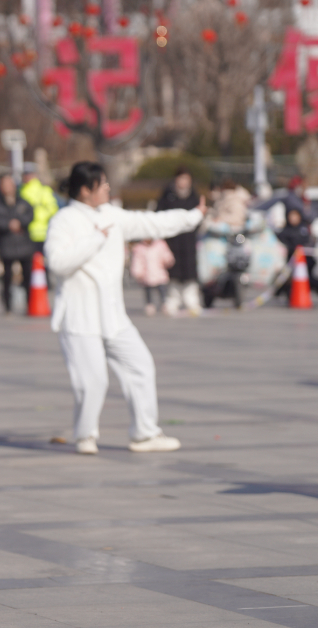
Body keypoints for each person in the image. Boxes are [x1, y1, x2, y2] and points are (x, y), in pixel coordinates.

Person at [44, 161, 204, 455]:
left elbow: (151, 223)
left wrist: (192, 216)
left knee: (140, 366)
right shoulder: (63, 221)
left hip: (113, 316)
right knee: (92, 382)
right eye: (102, 183)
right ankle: (85, 435)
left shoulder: (112, 215)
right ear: (85, 190)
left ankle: (144, 434)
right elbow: (57, 262)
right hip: (80, 317)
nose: (107, 188)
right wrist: (95, 240)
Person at [0, 173, 36, 315]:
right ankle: (7, 306)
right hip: (6, 244)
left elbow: (30, 214)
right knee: (7, 277)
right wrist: (8, 224)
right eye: (4, 184)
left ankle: (29, 304)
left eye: (9, 183)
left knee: (27, 276)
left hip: (24, 244)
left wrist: (20, 223)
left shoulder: (22, 202)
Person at [156, 169, 202, 317]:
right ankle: (172, 301)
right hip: (172, 240)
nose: (183, 182)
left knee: (190, 274)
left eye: (186, 179)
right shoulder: (168, 196)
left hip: (189, 241)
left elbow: (199, 217)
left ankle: (192, 302)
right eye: (181, 178)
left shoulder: (194, 196)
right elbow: (159, 215)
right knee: (173, 273)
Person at [18, 166, 60, 255]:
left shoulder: (43, 190)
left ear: (34, 175)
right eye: (25, 174)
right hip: (24, 233)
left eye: (29, 174)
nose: (27, 177)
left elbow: (53, 208)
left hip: (41, 233)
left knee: (40, 260)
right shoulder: (19, 190)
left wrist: (37, 216)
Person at [130, 239, 174, 318]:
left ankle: (164, 303)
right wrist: (137, 272)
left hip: (160, 273)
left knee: (162, 290)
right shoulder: (139, 248)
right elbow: (137, 261)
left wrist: (168, 260)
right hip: (147, 275)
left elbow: (166, 255)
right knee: (148, 291)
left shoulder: (160, 245)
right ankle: (149, 304)